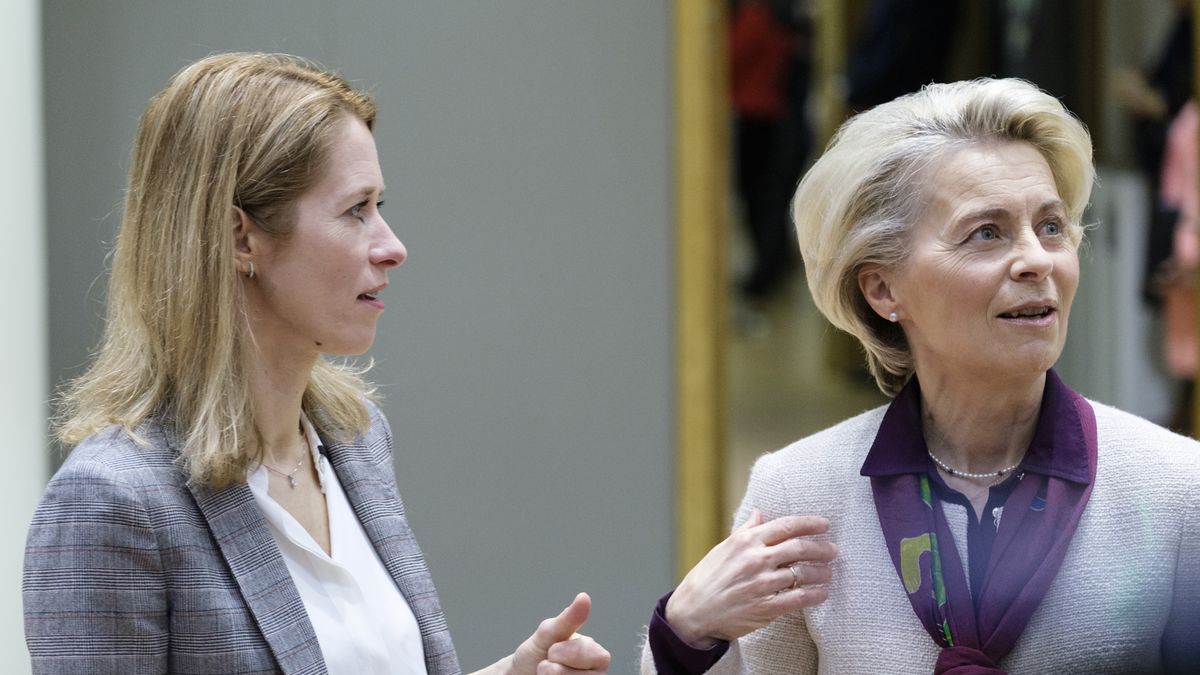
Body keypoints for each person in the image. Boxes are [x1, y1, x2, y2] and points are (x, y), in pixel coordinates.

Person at [23, 52, 611, 675]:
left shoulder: (354, 442)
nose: (393, 246)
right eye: (357, 209)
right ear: (238, 237)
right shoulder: (111, 502)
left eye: (380, 205)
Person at [642, 78, 1200, 673]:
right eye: (986, 232)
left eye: (1051, 226)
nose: (1038, 260)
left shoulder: (1176, 491)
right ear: (883, 289)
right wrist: (687, 632)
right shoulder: (800, 494)